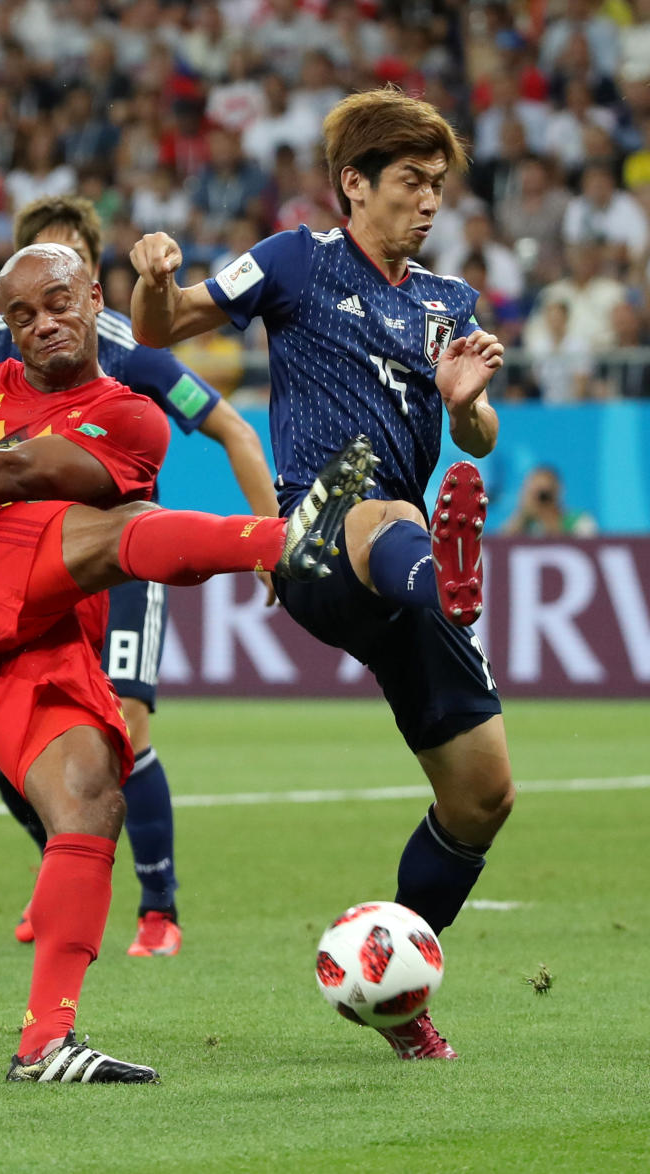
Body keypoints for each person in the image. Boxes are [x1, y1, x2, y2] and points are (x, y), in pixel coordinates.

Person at [0, 242, 376, 1083]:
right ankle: (286, 542)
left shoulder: (133, 414)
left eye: (58, 302)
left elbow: (22, 469)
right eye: (21, 315)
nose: (42, 324)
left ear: (97, 299)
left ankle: (44, 1044)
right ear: (6, 329)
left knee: (92, 797)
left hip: (7, 641)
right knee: (118, 534)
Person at [130, 87, 514, 1062]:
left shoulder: (449, 301)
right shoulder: (298, 258)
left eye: (439, 186)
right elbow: (166, 326)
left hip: (403, 557)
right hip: (314, 525)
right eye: (411, 183)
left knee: (483, 794)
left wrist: (466, 403)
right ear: (354, 183)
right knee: (377, 497)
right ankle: (445, 583)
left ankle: (395, 994)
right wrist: (151, 277)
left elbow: (475, 435)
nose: (429, 202)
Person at [0, 195, 279, 958]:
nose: (42, 313)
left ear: (91, 278)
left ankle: (158, 911)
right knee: (12, 734)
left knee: (126, 724)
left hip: (123, 557)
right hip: (25, 562)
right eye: (28, 281)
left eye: (63, 275)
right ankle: (64, 867)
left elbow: (231, 427)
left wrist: (268, 535)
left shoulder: (134, 354)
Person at [504, 466, 598, 536]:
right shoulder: (525, 525)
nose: (540, 500)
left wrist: (549, 517)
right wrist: (523, 513)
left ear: (558, 492)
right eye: (534, 492)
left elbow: (588, 548)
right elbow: (500, 548)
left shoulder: (580, 521)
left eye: (544, 495)